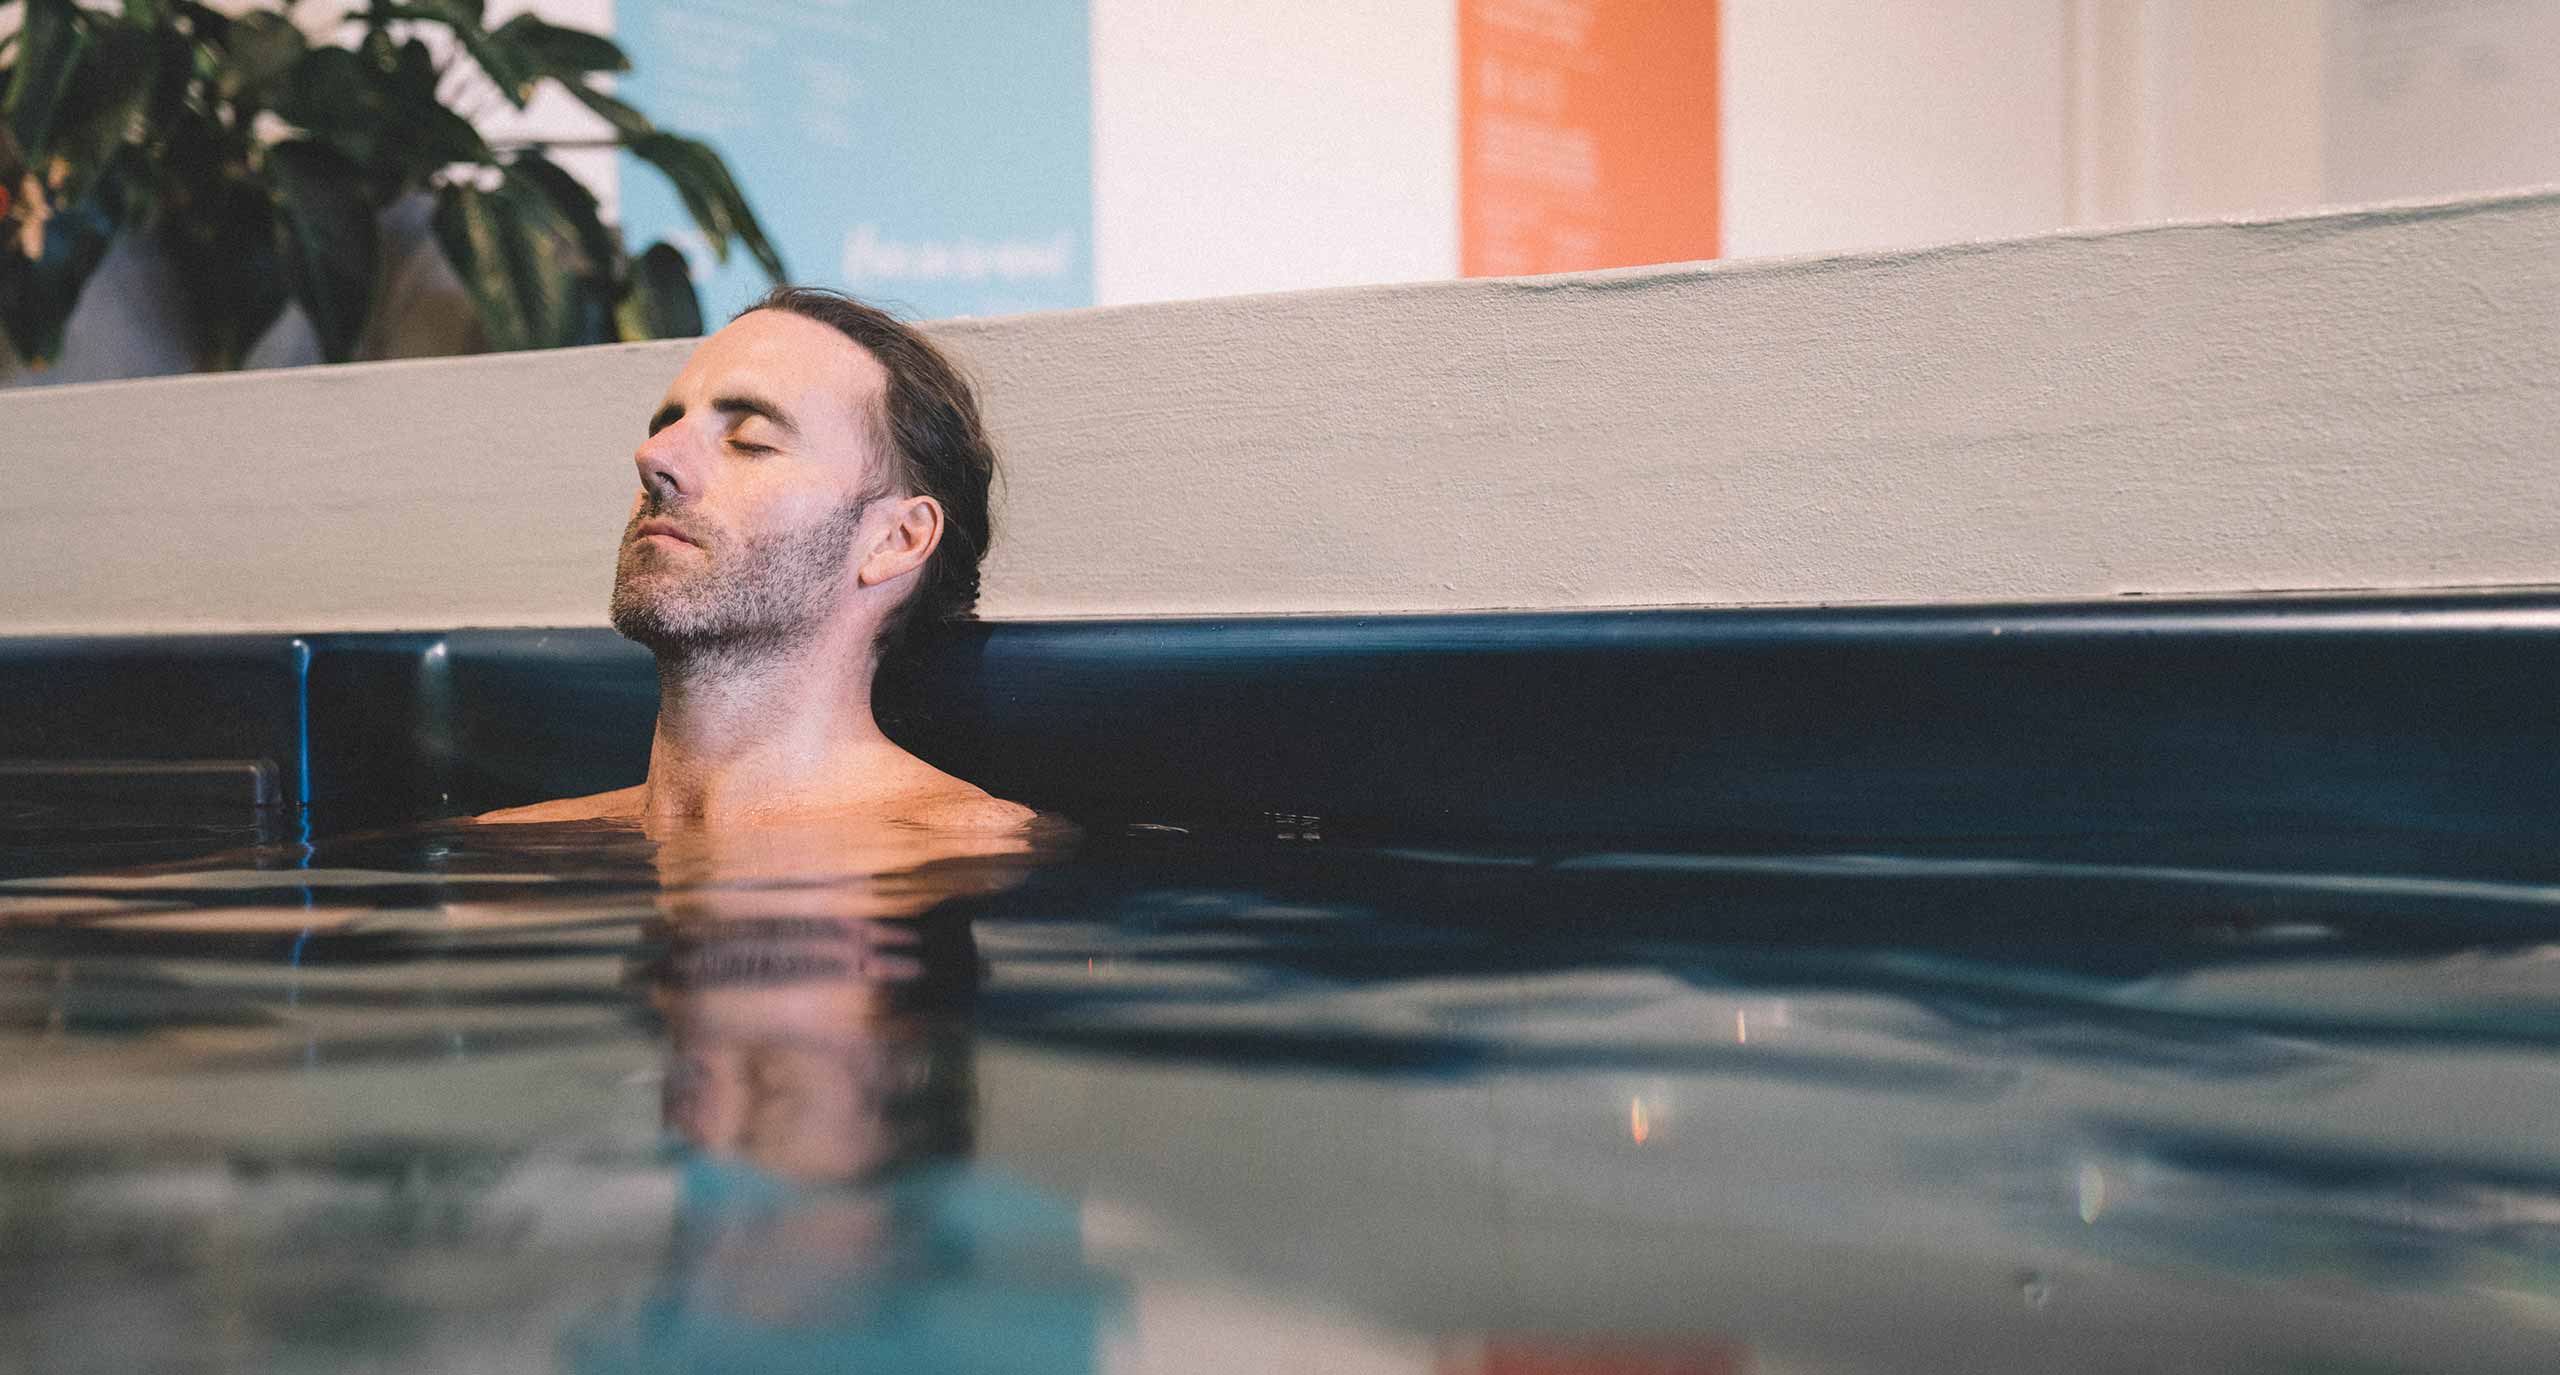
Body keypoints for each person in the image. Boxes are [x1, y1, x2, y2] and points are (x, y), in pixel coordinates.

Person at [480, 288, 1034, 832]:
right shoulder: (507, 845)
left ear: (894, 541)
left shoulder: (957, 848)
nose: (652, 457)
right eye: (666, 429)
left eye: (749, 439)